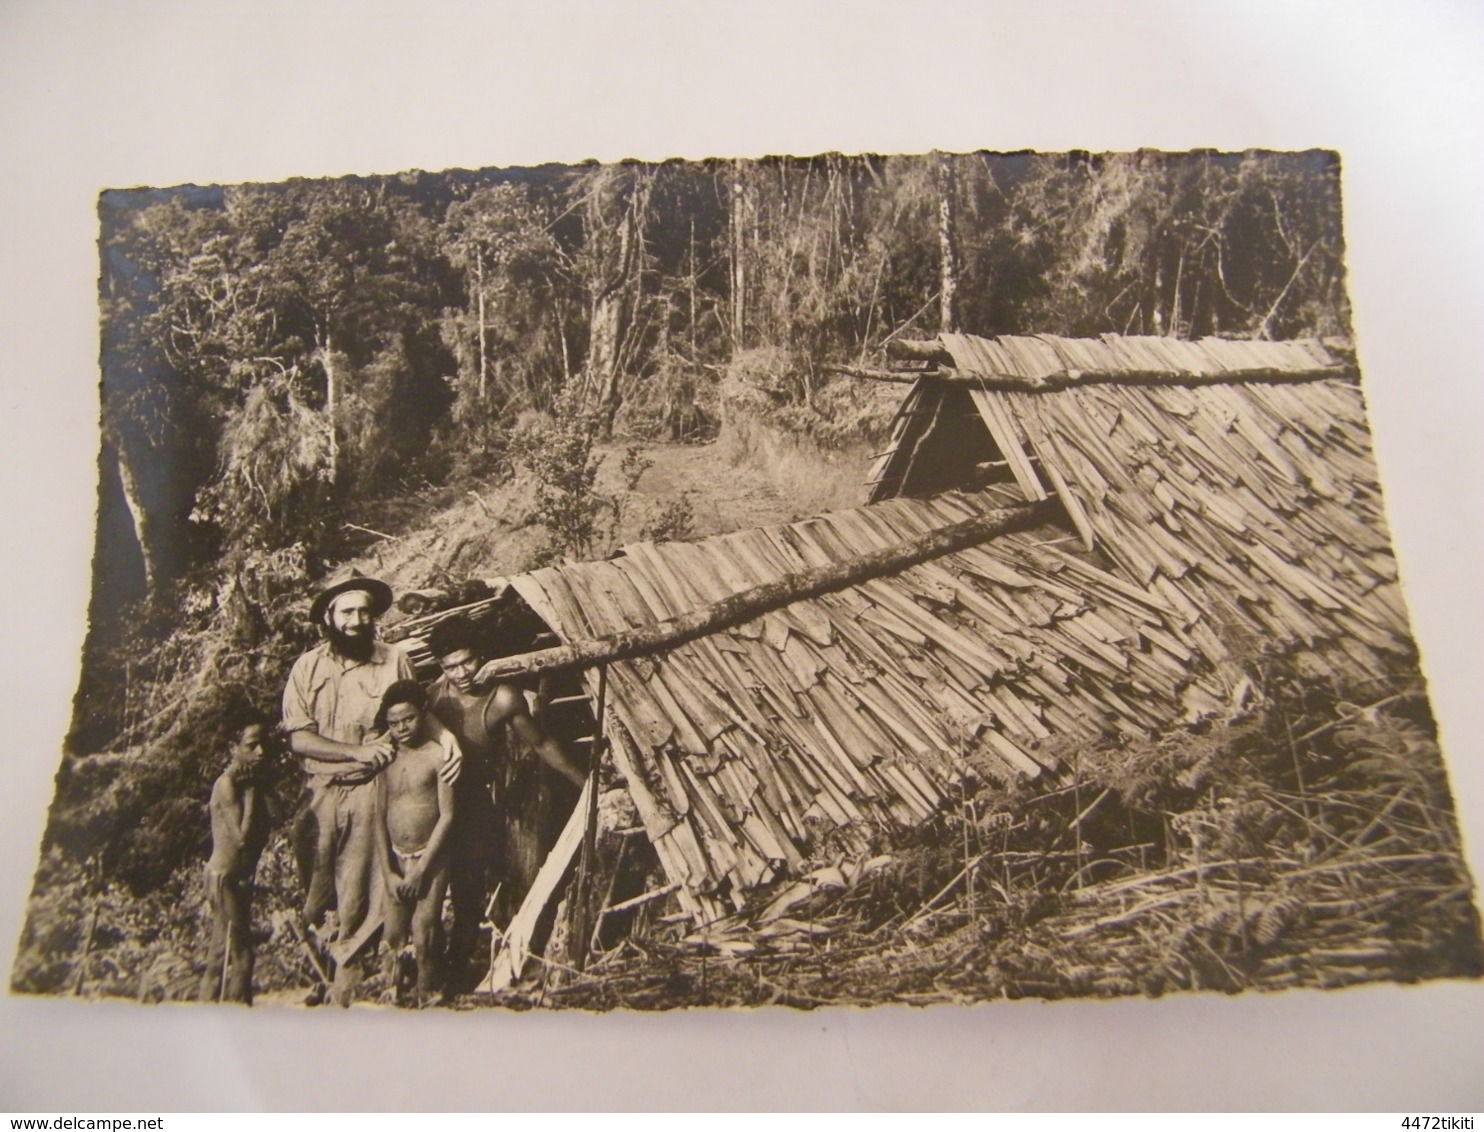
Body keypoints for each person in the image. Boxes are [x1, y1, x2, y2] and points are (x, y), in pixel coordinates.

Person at [281, 571, 460, 1005]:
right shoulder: (307, 667)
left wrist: (446, 736)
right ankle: (327, 966)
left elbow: (412, 706)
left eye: (364, 611)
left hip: (369, 787)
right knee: (317, 886)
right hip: (320, 790)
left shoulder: (393, 659)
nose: (357, 620)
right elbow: (299, 737)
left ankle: (354, 978)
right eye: (347, 612)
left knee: (362, 885)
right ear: (329, 617)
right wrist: (351, 752)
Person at [425, 616, 586, 983]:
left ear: (481, 657)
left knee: (482, 887)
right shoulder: (433, 699)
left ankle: (500, 966)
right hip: (434, 803)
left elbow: (541, 743)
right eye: (452, 666)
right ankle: (433, 974)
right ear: (440, 666)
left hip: (478, 803)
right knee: (434, 892)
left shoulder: (502, 698)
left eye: (468, 661)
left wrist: (584, 782)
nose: (463, 672)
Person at [372, 681, 455, 1006]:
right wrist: (388, 871)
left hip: (431, 858)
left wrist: (422, 869)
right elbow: (378, 817)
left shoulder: (438, 756)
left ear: (423, 714)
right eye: (393, 723)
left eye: (408, 719)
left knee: (425, 927)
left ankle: (426, 989)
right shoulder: (386, 758)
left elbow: (447, 816)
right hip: (395, 856)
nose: (401, 728)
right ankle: (391, 988)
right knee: (393, 931)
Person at [199, 708, 273, 1005]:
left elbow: (277, 817)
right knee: (242, 953)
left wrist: (261, 787)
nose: (260, 751)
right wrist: (253, 795)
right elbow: (241, 839)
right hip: (224, 878)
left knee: (220, 951)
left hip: (238, 879)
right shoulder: (227, 784)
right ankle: (237, 1011)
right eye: (251, 745)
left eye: (262, 744)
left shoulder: (250, 781)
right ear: (233, 747)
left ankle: (212, 1010)